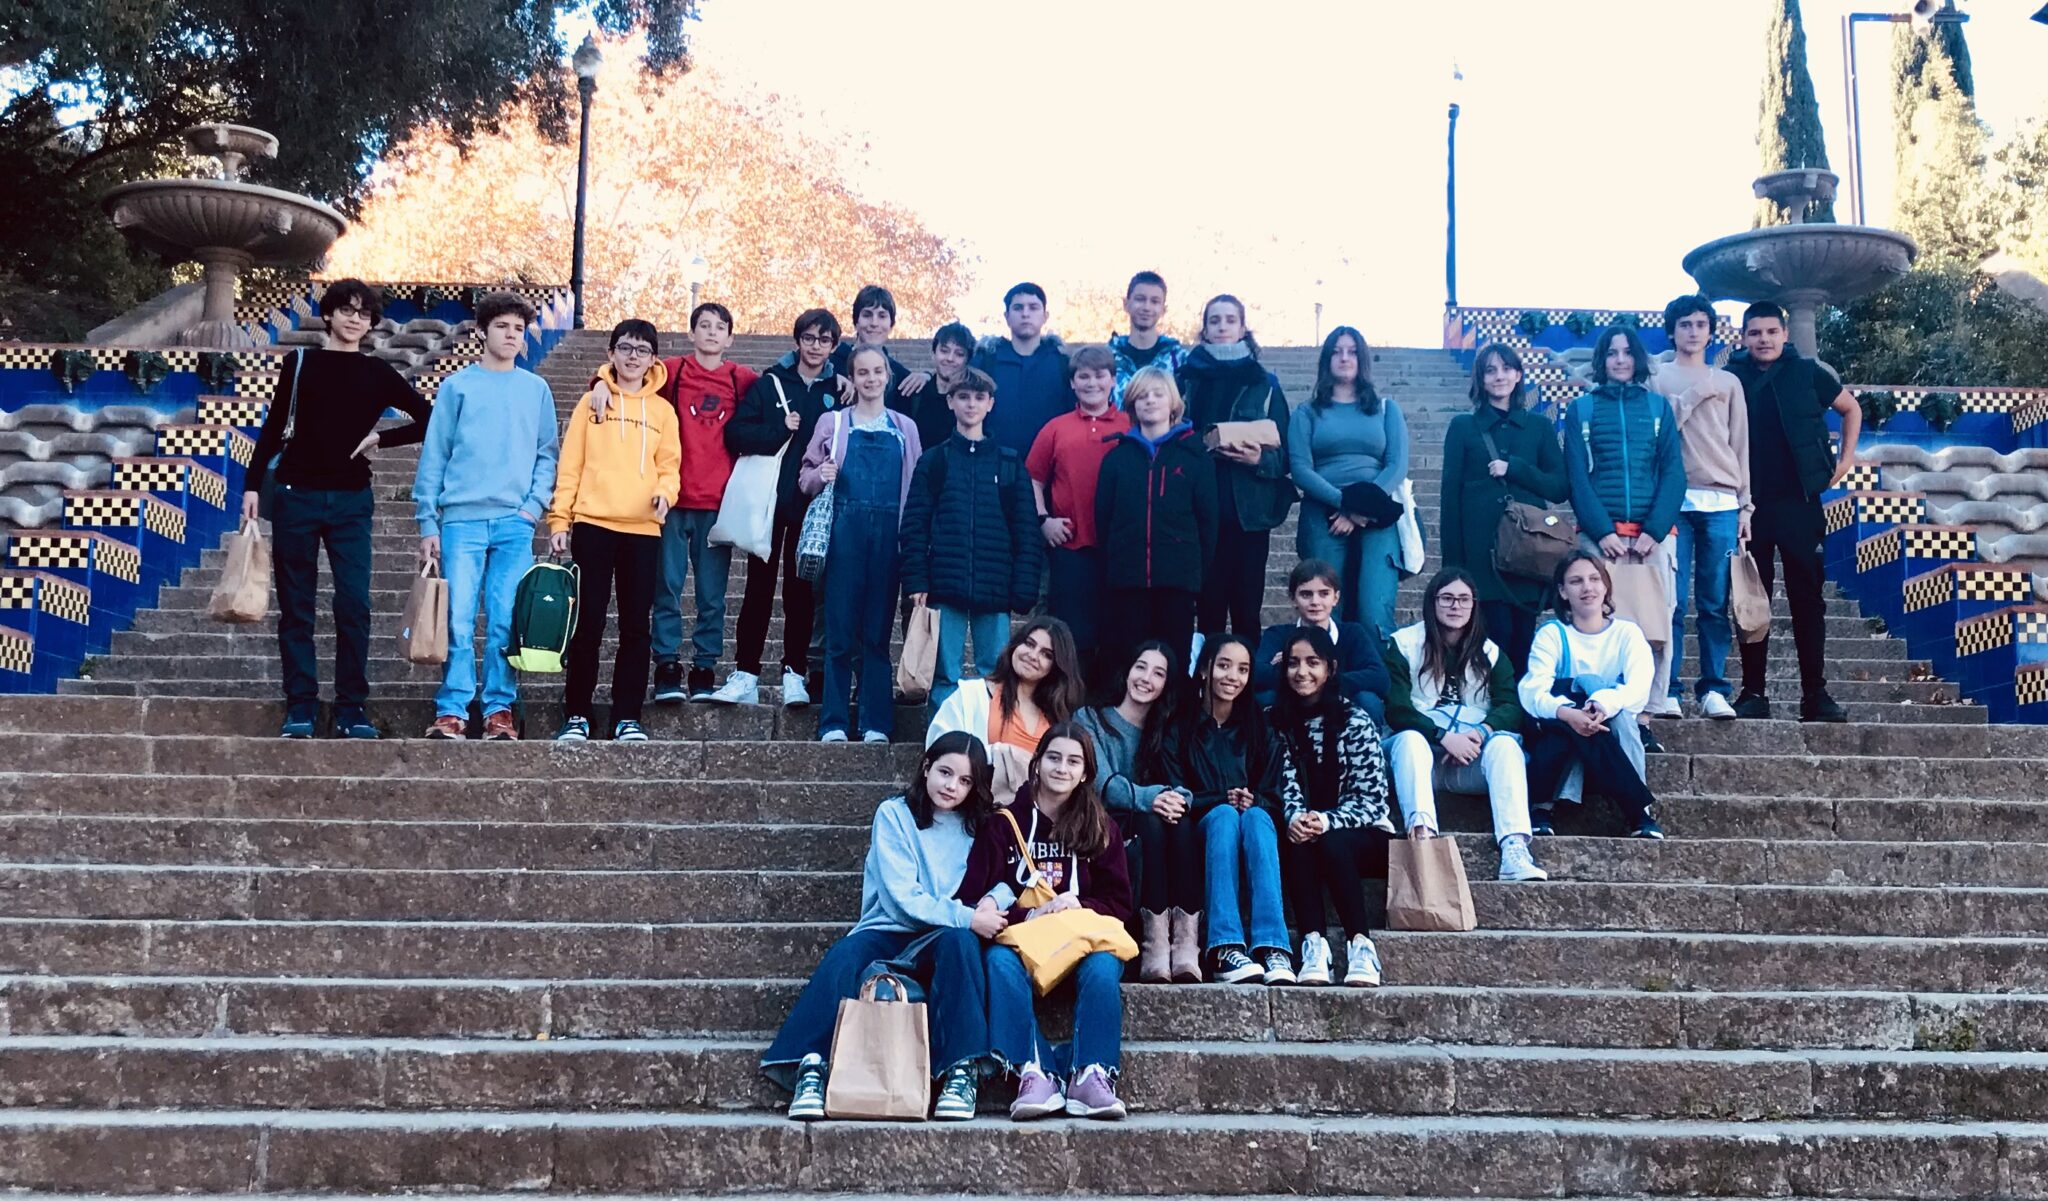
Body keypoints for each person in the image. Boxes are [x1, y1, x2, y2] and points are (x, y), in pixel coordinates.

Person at [764, 731, 998, 1122]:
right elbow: (900, 897)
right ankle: (811, 1065)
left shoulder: (980, 826)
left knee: (962, 945)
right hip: (889, 927)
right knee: (846, 955)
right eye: (945, 772)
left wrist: (992, 903)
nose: (951, 786)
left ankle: (960, 1069)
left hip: (944, 935)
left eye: (965, 780)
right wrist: (968, 916)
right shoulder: (894, 814)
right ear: (926, 767)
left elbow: (1007, 875)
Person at [244, 279, 431, 740]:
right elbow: (273, 427)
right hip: (296, 494)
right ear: (328, 315)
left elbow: (429, 418)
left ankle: (351, 708)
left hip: (351, 500)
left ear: (371, 323)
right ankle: (301, 705)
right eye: (347, 310)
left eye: (364, 314)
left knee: (354, 604)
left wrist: (381, 438)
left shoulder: (377, 372)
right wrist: (251, 487)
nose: (355, 319)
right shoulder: (300, 363)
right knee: (296, 606)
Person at [957, 723, 1133, 1121]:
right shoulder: (1003, 824)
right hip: (1022, 943)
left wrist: (1079, 905)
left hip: (1082, 941)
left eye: (1073, 761)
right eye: (1054, 758)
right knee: (997, 961)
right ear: (1036, 763)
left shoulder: (1101, 827)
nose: (1062, 769)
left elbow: (1120, 903)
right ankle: (1035, 1072)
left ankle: (1092, 1074)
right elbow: (972, 899)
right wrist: (1029, 914)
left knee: (1104, 966)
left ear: (1086, 772)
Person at [589, 302, 759, 705]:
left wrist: (838, 377)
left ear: (731, 338)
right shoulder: (673, 371)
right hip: (669, 500)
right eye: (704, 325)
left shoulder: (740, 378)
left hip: (717, 504)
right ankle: (667, 665)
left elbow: (781, 386)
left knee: (712, 595)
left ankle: (704, 667)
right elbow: (628, 372)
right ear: (691, 333)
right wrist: (598, 381)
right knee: (666, 587)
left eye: (720, 327)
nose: (712, 332)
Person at [410, 290, 556, 742]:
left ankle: (498, 708)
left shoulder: (536, 390)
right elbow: (435, 454)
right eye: (502, 327)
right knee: (457, 617)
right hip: (461, 521)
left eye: (519, 329)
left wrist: (533, 508)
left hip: (515, 523)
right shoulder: (457, 387)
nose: (511, 335)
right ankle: (452, 708)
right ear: (482, 331)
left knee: (504, 619)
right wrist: (428, 521)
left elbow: (547, 454)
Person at [1723, 301, 1862, 723]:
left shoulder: (1808, 372)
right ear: (1743, 338)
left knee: (1808, 600)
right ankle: (1753, 692)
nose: (1763, 339)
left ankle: (1815, 694)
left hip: (1800, 503)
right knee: (1752, 599)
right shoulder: (1731, 377)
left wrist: (1845, 461)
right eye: (1755, 333)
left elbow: (1850, 408)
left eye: (1771, 331)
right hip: (1750, 507)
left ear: (1785, 335)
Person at [545, 319, 681, 742]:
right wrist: (559, 519)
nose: (633, 356)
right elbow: (571, 465)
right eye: (625, 347)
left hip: (643, 531)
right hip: (594, 525)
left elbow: (670, 467)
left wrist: (665, 494)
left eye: (642, 350)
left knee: (636, 627)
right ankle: (577, 713)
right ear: (611, 353)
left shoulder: (663, 411)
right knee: (588, 623)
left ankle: (627, 715)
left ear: (653, 359)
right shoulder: (591, 403)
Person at [707, 308, 843, 709]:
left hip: (810, 505)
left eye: (824, 340)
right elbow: (736, 433)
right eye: (809, 338)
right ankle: (746, 672)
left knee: (801, 592)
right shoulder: (770, 384)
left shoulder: (839, 389)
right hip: (768, 502)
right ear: (797, 340)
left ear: (834, 346)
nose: (815, 346)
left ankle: (794, 673)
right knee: (758, 590)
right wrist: (779, 430)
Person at [1381, 568, 1548, 882]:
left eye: (1463, 599)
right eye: (1447, 598)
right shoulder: (1402, 644)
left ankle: (1514, 848)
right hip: (1418, 761)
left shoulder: (1490, 652)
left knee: (1505, 744)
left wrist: (1479, 733)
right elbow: (1397, 709)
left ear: (1474, 605)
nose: (1455, 606)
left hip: (1470, 760)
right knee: (1409, 740)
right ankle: (1423, 841)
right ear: (1432, 602)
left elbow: (1510, 706)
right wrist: (1443, 736)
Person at [1564, 325, 1685, 754]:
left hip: (1653, 538)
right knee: (1596, 623)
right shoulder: (1581, 409)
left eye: (1627, 352)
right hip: (1601, 539)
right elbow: (1577, 476)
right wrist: (1602, 532)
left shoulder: (1657, 408)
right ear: (1601, 360)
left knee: (1655, 624)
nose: (1620, 360)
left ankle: (1645, 715)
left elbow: (1673, 472)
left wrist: (1654, 530)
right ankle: (1600, 708)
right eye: (1612, 353)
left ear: (1638, 359)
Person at [798, 345, 924, 743]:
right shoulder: (833, 422)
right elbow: (804, 478)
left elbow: (916, 488)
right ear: (852, 378)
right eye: (863, 372)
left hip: (890, 538)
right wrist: (821, 474)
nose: (871, 379)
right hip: (843, 535)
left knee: (876, 633)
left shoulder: (905, 427)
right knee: (839, 631)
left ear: (888, 375)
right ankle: (833, 721)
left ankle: (876, 722)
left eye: (877, 371)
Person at [899, 366, 1042, 715]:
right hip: (944, 584)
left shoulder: (1009, 462)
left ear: (990, 403)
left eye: (979, 397)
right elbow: (914, 524)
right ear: (950, 401)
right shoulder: (935, 460)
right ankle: (941, 740)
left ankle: (989, 741)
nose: (971, 404)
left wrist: (1023, 587)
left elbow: (1026, 529)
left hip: (994, 586)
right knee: (944, 674)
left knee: (995, 673)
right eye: (963, 397)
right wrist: (916, 579)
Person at [1165, 635, 1293, 986]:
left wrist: (1255, 801)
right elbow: (1175, 792)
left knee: (1256, 816)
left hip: (1255, 827)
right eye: (1223, 666)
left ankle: (1273, 947)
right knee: (1224, 816)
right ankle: (1224, 947)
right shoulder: (1178, 727)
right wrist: (1220, 799)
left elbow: (1275, 793)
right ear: (1204, 669)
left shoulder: (1259, 726)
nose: (1232, 677)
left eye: (1243, 669)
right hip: (1202, 829)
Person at [1270, 625, 1392, 989]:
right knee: (1299, 841)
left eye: (1313, 662)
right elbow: (1282, 783)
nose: (1302, 672)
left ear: (1330, 668)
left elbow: (1373, 801)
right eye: (1293, 663)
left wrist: (1325, 820)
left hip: (1364, 837)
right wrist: (1295, 817)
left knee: (1330, 840)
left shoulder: (1355, 720)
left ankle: (1361, 945)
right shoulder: (1274, 722)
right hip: (1305, 835)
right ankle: (1314, 945)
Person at [1648, 296, 1750, 721]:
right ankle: (1667, 687)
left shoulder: (1728, 382)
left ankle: (1713, 688)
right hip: (1673, 501)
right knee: (1671, 600)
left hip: (1722, 501)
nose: (1693, 331)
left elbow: (1740, 444)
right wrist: (1692, 395)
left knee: (1714, 601)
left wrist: (1746, 505)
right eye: (1685, 324)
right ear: (1672, 331)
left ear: (1711, 331)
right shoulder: (1657, 378)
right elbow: (1657, 432)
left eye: (1701, 324)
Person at [1517, 551, 1666, 840]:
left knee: (1620, 717)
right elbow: (1533, 690)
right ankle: (1636, 809)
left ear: (1606, 586)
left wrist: (1602, 704)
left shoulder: (1627, 633)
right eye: (1576, 581)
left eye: (1594, 579)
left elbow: (1638, 689)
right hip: (1563, 731)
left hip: (1610, 731)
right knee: (1566, 714)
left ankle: (1544, 805)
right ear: (1563, 591)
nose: (1587, 587)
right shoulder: (1552, 634)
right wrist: (1568, 714)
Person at [1440, 341, 1568, 672]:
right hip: (1481, 557)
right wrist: (1452, 569)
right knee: (1490, 644)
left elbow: (1559, 487)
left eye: (1507, 368)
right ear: (1480, 379)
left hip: (1527, 555)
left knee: (1522, 643)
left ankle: (1520, 705)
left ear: (1518, 375)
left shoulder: (1539, 427)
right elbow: (1449, 499)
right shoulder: (1463, 427)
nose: (1499, 376)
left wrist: (1515, 469)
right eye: (1490, 370)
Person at [1076, 641, 1198, 984]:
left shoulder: (1167, 731)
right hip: (1102, 821)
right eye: (1141, 667)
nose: (1146, 678)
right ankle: (1153, 941)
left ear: (1166, 684)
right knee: (1151, 822)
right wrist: (1153, 797)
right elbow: (1101, 782)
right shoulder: (1089, 718)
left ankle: (1184, 942)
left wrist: (1177, 800)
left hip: (1151, 825)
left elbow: (1185, 784)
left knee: (1180, 824)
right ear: (1127, 671)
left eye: (1158, 673)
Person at [1177, 294, 1296, 638]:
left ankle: (1248, 674)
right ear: (1204, 330)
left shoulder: (1265, 383)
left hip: (1250, 516)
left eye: (1230, 320)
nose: (1222, 327)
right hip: (1201, 512)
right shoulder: (1186, 380)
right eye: (1214, 320)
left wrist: (1259, 460)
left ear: (1243, 328)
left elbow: (1286, 453)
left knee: (1247, 612)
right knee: (1208, 613)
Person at [1287, 326, 1409, 636]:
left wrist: (1362, 509)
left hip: (1377, 515)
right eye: (1337, 351)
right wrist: (1346, 505)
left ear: (1362, 359)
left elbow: (1396, 465)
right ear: (1326, 360)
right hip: (1324, 512)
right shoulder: (1306, 413)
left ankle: (1376, 667)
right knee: (1323, 609)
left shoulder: (1386, 409)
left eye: (1352, 351)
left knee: (1374, 610)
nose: (1344, 358)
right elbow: (1300, 469)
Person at [1094, 366, 1216, 675]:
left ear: (1173, 402)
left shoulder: (1194, 456)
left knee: (1173, 665)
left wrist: (1195, 576)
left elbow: (1207, 522)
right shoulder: (1117, 459)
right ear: (1132, 404)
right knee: (1127, 662)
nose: (1150, 401)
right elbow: (1104, 519)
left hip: (1177, 582)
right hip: (1128, 582)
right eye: (1142, 396)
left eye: (1158, 394)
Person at [1026, 344, 1132, 689]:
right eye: (1083, 376)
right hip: (1070, 549)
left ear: (1113, 380)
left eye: (1100, 376)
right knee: (1072, 639)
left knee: (1115, 636)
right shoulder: (1056, 428)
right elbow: (1033, 478)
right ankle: (1070, 707)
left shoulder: (1131, 426)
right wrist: (1044, 520)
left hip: (1118, 551)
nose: (1092, 383)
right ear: (1072, 383)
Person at [926, 617, 1086, 804]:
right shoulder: (972, 695)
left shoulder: (1057, 717)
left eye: (1046, 654)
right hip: (973, 806)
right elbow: (939, 749)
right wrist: (1002, 753)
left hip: (1031, 812)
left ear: (1057, 666)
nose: (1033, 655)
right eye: (1029, 644)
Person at [1251, 557, 1392, 727]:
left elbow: (1380, 677)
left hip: (1339, 710)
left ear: (1336, 598)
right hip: (1292, 710)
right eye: (1306, 594)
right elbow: (1256, 674)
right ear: (1293, 598)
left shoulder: (1352, 633)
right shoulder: (1278, 634)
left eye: (1324, 594)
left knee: (1368, 700)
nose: (1315, 602)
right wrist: (1303, 681)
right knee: (1266, 698)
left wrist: (1320, 679)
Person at [973, 282, 1071, 456]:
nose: (1025, 314)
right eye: (1018, 308)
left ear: (1045, 316)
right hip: (993, 465)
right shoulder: (986, 361)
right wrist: (927, 376)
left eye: (1033, 307)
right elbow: (952, 385)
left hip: (1050, 465)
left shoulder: (1063, 364)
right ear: (1007, 316)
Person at [1108, 271, 1186, 408]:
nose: (1146, 307)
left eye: (1154, 301)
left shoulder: (1179, 360)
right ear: (1126, 304)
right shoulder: (1108, 357)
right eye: (1140, 299)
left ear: (1163, 309)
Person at [894, 321, 976, 451]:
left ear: (967, 360)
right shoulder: (914, 395)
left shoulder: (972, 403)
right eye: (944, 351)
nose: (950, 358)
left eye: (959, 354)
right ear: (933, 353)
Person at [827, 283, 916, 396]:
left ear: (891, 324)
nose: (874, 323)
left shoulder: (901, 378)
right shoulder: (830, 366)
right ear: (856, 322)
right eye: (867, 315)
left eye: (882, 316)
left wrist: (927, 377)